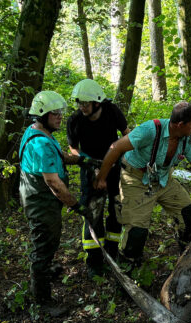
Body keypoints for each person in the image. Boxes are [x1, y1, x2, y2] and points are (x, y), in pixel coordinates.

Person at [94, 101, 191, 267]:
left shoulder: (187, 140)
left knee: (189, 216)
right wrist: (102, 178)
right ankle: (128, 269)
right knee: (136, 234)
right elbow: (116, 148)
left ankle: (185, 256)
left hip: (163, 179)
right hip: (136, 180)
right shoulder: (150, 130)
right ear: (180, 124)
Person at [19, 91, 96, 309]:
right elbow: (54, 184)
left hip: (37, 196)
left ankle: (45, 270)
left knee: (49, 239)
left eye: (61, 112)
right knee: (44, 244)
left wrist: (81, 160)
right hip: (40, 201)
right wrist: (77, 205)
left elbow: (57, 154)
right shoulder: (40, 144)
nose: (60, 116)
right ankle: (42, 299)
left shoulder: (38, 132)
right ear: (42, 115)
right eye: (55, 113)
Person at [67, 79, 130, 277]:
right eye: (79, 103)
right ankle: (94, 261)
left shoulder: (112, 111)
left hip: (114, 166)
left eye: (85, 103)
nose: (82, 107)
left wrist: (127, 160)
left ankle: (112, 253)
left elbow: (126, 134)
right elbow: (73, 148)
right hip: (89, 169)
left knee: (116, 209)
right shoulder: (75, 120)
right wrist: (90, 167)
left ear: (97, 102)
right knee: (93, 213)